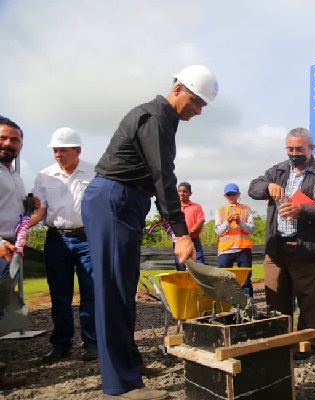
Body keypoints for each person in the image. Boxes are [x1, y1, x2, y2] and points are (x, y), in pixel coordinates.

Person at [81, 65, 218, 400]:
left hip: (126, 202)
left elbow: (158, 180)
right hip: (114, 199)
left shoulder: (164, 119)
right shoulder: (155, 117)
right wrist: (181, 233)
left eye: (203, 105)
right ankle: (120, 387)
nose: (198, 111)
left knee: (125, 288)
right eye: (197, 102)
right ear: (179, 89)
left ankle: (129, 362)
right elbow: (163, 177)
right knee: (112, 290)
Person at [248, 127, 315, 360]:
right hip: (276, 246)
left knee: (307, 298)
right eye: (290, 148)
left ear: (311, 148)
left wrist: (302, 209)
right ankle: (280, 340)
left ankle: (308, 343)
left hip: (305, 246)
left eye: (299, 149)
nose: (294, 153)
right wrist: (267, 187)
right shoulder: (277, 170)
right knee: (275, 296)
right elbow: (253, 187)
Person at [30, 128, 97, 364]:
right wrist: (22, 228)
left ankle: (92, 342)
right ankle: (61, 344)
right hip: (57, 239)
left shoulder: (94, 172)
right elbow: (40, 211)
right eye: (55, 150)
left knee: (90, 291)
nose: (58, 155)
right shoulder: (43, 176)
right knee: (60, 294)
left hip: (87, 239)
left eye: (63, 150)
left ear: (77, 150)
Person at [0, 116, 31, 389]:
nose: (9, 144)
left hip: (10, 250)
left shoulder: (15, 176)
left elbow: (22, 214)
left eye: (15, 139)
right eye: (3, 138)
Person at [214, 183, 255, 297]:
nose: (231, 196)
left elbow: (251, 229)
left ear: (238, 195)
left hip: (243, 248)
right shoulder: (220, 210)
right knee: (224, 280)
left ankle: (248, 305)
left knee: (246, 281)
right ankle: (227, 305)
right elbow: (218, 231)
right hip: (225, 250)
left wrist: (240, 222)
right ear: (225, 196)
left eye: (233, 194)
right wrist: (227, 222)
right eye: (229, 194)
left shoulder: (246, 209)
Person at [173, 182, 205, 270]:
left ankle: (198, 283)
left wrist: (189, 234)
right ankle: (183, 283)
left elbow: (200, 221)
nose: (181, 193)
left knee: (199, 263)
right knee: (180, 264)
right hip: (179, 240)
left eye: (184, 191)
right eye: (179, 191)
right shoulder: (174, 208)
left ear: (190, 193)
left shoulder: (196, 207)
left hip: (194, 239)